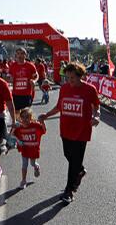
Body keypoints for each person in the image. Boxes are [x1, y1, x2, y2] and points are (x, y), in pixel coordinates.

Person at [39, 62, 101, 204]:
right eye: (67, 77)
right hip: (66, 129)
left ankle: (69, 191)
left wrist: (97, 117)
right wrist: (46, 115)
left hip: (82, 131)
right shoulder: (65, 88)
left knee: (73, 162)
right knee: (68, 155)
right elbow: (59, 106)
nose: (69, 81)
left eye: (72, 78)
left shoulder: (89, 90)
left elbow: (97, 106)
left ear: (80, 76)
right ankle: (80, 171)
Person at [12, 108, 47, 189]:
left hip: (33, 150)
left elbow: (44, 131)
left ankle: (36, 167)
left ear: (31, 118)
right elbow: (11, 136)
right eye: (23, 117)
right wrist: (14, 128)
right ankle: (23, 181)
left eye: (27, 117)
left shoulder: (35, 126)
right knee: (24, 165)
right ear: (20, 118)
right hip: (25, 149)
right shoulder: (19, 127)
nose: (25, 119)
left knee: (32, 163)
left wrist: (42, 122)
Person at [9, 48, 38, 116]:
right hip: (16, 94)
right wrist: (8, 79)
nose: (20, 55)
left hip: (27, 94)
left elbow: (36, 76)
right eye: (18, 53)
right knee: (16, 112)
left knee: (26, 114)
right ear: (16, 55)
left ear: (25, 55)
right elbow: (9, 77)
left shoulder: (30, 66)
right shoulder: (13, 65)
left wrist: (34, 81)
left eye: (22, 53)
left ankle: (25, 125)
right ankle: (21, 125)